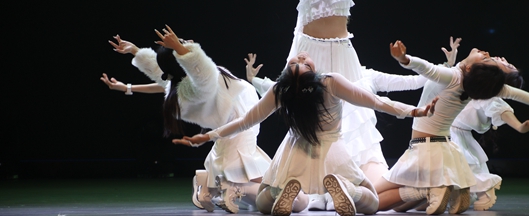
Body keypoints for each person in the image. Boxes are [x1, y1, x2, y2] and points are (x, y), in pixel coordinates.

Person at [220, 0, 451, 189]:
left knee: (354, 112)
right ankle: (310, 179)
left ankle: (351, 178)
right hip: (309, 53)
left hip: (342, 52)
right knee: (308, 109)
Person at [172, 51, 436, 216]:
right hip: (333, 151)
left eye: (297, 60)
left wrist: (208, 136)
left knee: (265, 201)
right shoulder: (329, 81)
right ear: (312, 73)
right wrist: (415, 111)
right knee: (371, 201)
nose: (300, 56)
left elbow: (245, 121)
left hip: (293, 153)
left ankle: (285, 194)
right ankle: (350, 191)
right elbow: (376, 102)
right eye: (301, 61)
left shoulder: (281, 90)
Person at [374, 40, 529, 215]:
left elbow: (426, 68)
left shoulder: (453, 77)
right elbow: (518, 94)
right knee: (399, 207)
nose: (485, 53)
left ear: (472, 68)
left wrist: (403, 59)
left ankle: (428, 190)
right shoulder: (472, 85)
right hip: (442, 149)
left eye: (486, 58)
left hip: (424, 148)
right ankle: (433, 189)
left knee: (372, 197)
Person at [101, 25, 271, 213]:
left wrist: (131, 68)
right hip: (240, 115)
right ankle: (222, 187)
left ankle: (210, 185)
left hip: (236, 116)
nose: (188, 42)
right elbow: (197, 67)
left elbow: (163, 78)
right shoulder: (201, 81)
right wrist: (178, 47)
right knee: (265, 193)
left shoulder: (184, 84)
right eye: (184, 43)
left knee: (257, 189)